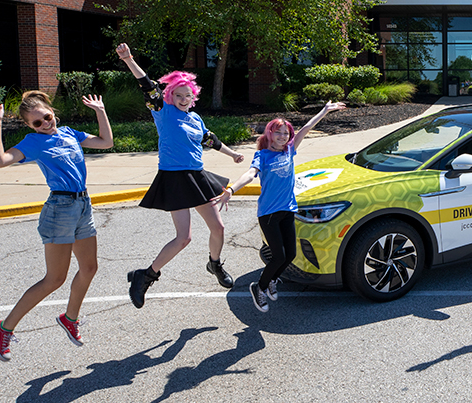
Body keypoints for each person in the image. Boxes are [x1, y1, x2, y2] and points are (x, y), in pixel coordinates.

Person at [0, 91, 113, 361]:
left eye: (46, 117)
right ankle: (4, 328)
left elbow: (106, 142)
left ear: (52, 111)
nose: (45, 124)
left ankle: (69, 318)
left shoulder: (70, 133)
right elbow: (0, 161)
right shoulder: (33, 142)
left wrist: (101, 110)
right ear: (30, 126)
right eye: (37, 123)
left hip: (82, 205)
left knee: (89, 267)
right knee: (55, 279)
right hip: (59, 210)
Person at [116, 43, 245, 309]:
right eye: (179, 95)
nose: (184, 99)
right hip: (174, 178)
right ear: (171, 96)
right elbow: (148, 87)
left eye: (188, 95)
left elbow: (210, 139)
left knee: (218, 227)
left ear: (193, 96)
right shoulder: (162, 112)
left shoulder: (195, 119)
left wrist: (232, 155)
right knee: (183, 237)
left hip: (197, 177)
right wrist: (129, 59)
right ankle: (146, 276)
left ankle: (215, 264)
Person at [214, 101, 346, 312]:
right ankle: (259, 286)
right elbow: (250, 174)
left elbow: (306, 128)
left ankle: (271, 280)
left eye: (286, 133)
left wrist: (324, 111)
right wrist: (231, 190)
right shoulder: (263, 155)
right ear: (269, 135)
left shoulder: (289, 150)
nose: (283, 136)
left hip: (287, 210)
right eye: (278, 133)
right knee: (278, 256)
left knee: (290, 255)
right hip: (268, 214)